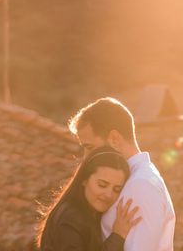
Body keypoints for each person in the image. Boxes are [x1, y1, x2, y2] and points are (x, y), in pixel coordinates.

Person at [68, 97, 175, 251]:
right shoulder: (135, 180)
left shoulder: (141, 185)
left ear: (115, 139)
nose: (86, 158)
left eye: (90, 147)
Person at [37, 146, 142, 251]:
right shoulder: (70, 220)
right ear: (84, 180)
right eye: (102, 185)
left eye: (117, 189)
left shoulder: (87, 213)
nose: (109, 195)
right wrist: (118, 236)